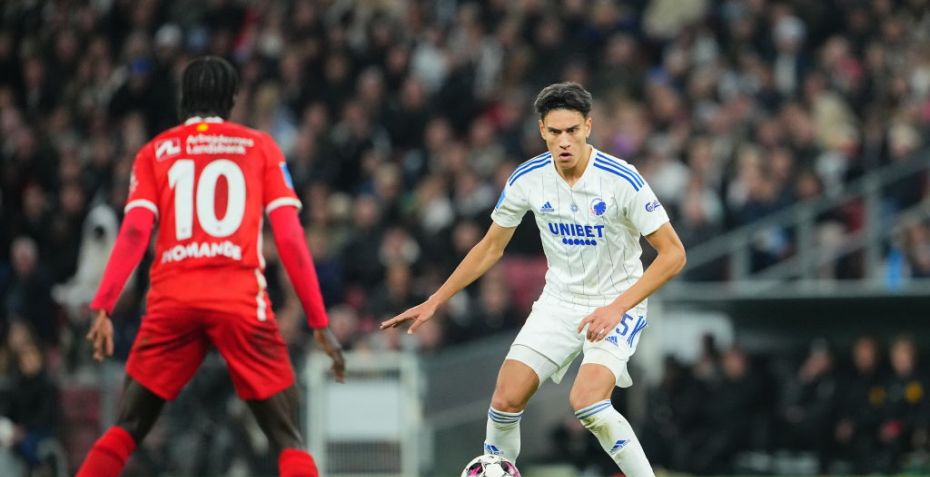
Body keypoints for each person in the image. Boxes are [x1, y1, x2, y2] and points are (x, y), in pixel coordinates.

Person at [381, 82, 686, 476]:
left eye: (572, 130)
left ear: (588, 127)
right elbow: (490, 248)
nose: (564, 141)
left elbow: (674, 254)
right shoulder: (527, 178)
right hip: (559, 301)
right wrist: (435, 300)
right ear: (542, 130)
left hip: (618, 300)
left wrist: (616, 308)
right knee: (505, 399)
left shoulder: (621, 179)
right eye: (555, 131)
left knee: (588, 402)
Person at [76, 56, 345, 477]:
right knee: (287, 438)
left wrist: (103, 304)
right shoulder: (259, 147)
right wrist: (319, 321)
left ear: (183, 98)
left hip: (172, 302)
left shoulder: (154, 152)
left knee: (127, 427)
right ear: (232, 100)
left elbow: (134, 232)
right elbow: (291, 238)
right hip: (239, 301)